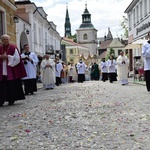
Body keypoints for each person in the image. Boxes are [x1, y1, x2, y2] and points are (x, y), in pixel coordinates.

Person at [0, 34, 26, 106]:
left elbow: (17, 58)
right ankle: (1, 100)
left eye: (6, 39)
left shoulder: (13, 47)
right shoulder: (0, 48)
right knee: (2, 86)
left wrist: (8, 57)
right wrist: (1, 57)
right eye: (4, 39)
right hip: (1, 69)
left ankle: (11, 99)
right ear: (2, 41)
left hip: (10, 69)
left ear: (9, 40)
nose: (5, 41)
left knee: (11, 85)